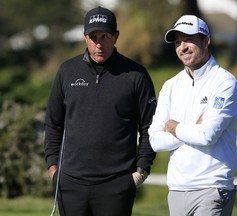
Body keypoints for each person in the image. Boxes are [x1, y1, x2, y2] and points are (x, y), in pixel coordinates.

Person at [44, 6, 157, 216]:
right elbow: (53, 123)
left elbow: (151, 127)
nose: (99, 43)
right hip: (71, 183)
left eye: (105, 36)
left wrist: (140, 172)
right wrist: (53, 168)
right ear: (85, 37)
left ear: (116, 36)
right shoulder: (67, 71)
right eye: (93, 36)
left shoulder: (136, 75)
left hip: (117, 184)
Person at [148, 15, 237, 216]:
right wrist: (192, 127)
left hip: (212, 186)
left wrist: (173, 127)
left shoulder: (225, 82)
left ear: (206, 41)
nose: (183, 47)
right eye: (178, 42)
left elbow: (208, 135)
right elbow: (155, 140)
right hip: (177, 189)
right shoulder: (170, 85)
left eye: (189, 39)